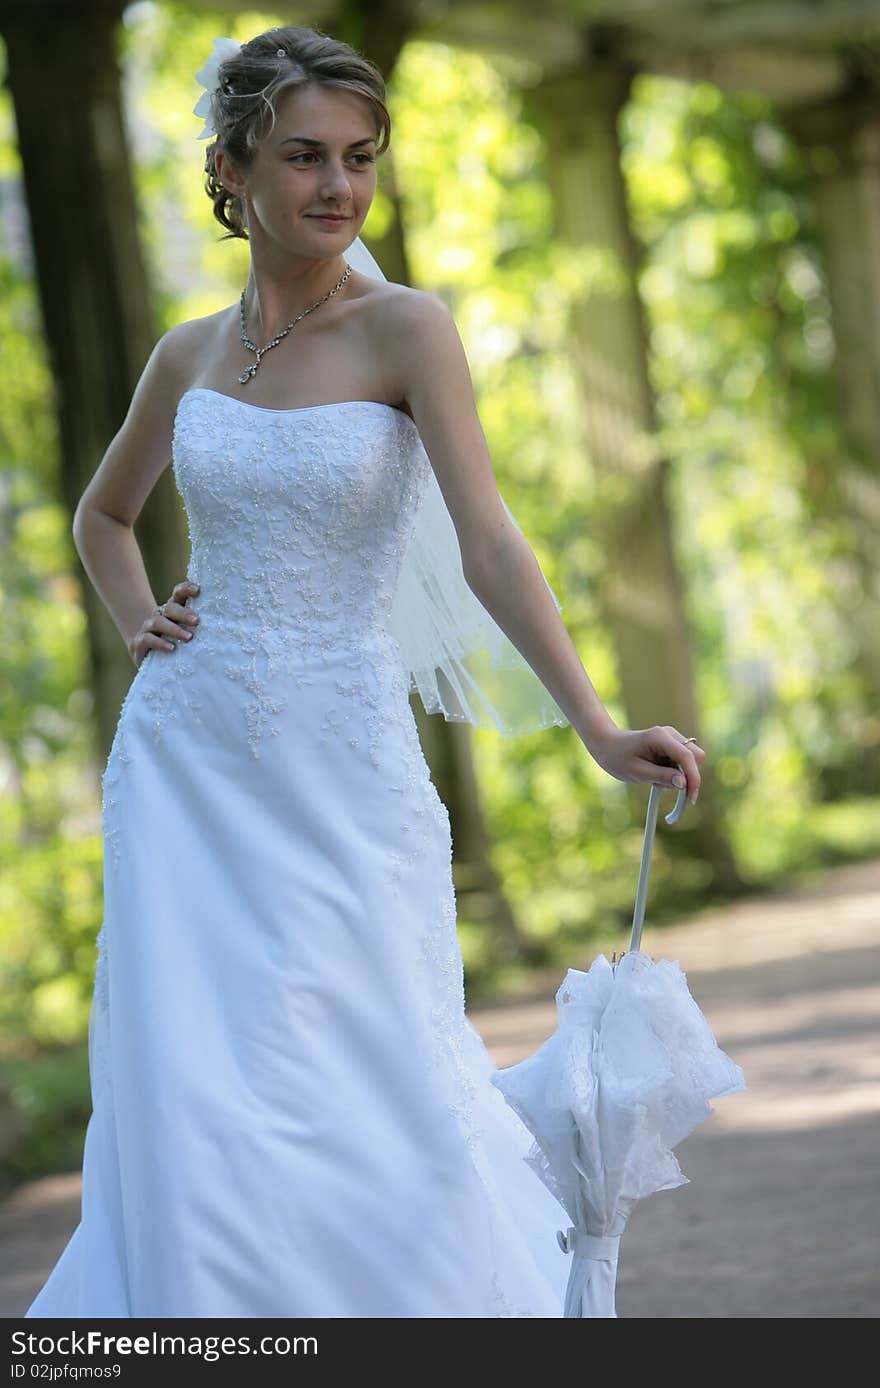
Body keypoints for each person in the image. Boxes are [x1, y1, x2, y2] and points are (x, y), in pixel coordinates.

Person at [25, 24, 705, 1318]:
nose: (337, 187)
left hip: (342, 755)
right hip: (185, 768)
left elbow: (494, 544)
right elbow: (102, 515)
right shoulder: (187, 356)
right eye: (303, 158)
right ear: (232, 173)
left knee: (374, 1054)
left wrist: (597, 727)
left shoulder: (408, 331)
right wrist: (136, 627)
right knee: (195, 1077)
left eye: (359, 158)